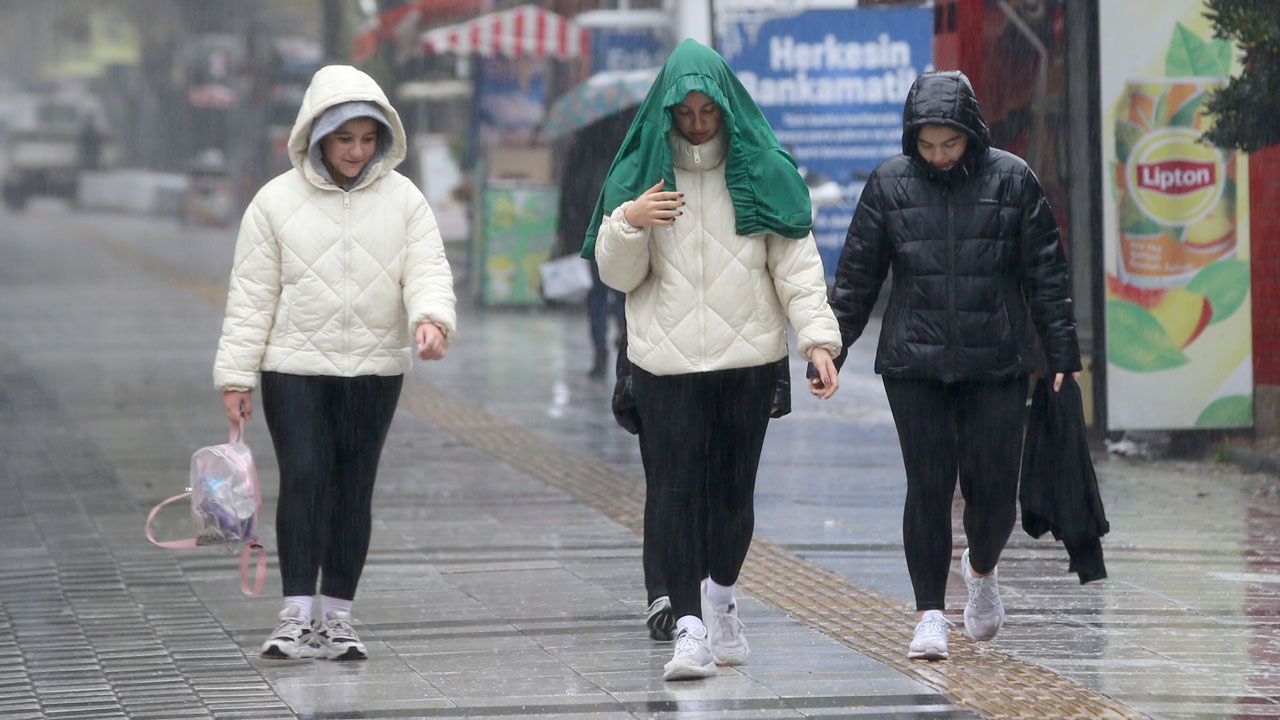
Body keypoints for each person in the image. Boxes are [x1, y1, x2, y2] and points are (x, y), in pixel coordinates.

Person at [584, 39, 843, 681]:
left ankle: (723, 598)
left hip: (746, 360)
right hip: (663, 365)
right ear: (666, 112)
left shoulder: (761, 168)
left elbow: (797, 266)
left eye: (708, 111)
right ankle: (691, 630)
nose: (697, 123)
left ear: (727, 107)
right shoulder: (642, 173)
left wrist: (817, 341)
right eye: (685, 112)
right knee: (673, 494)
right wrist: (630, 221)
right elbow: (618, 276)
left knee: (732, 496)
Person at [816, 70, 1081, 661]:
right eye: (927, 145)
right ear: (913, 138)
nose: (937, 156)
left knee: (991, 496)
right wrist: (829, 347)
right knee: (929, 488)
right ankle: (929, 613)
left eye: (949, 144)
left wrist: (1062, 354)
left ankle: (981, 571)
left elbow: (1046, 274)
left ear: (971, 134)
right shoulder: (889, 184)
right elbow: (857, 278)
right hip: (916, 362)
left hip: (998, 361)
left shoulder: (1013, 181)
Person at [213, 65, 456, 661]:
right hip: (292, 367)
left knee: (352, 488)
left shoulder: (405, 200)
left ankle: (339, 617)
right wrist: (236, 375)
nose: (356, 151)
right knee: (304, 479)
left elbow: (427, 269)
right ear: (317, 135)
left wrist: (431, 319)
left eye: (368, 138)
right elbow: (251, 295)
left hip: (374, 370)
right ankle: (296, 614)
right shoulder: (273, 202)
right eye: (345, 138)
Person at [556, 108, 635, 378]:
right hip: (621, 225)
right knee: (624, 290)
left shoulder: (581, 148)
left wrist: (564, 232)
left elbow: (568, 193)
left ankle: (600, 349)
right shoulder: (626, 145)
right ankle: (625, 339)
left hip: (589, 229)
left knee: (597, 294)